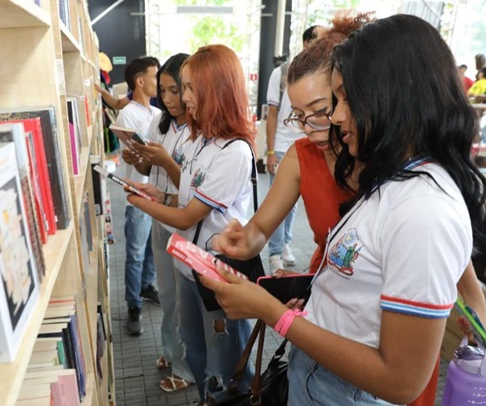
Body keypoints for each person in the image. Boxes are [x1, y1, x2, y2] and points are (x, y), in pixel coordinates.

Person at [203, 14, 486, 405]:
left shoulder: (423, 209)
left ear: (394, 93)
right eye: (301, 115)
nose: (334, 117)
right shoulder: (391, 179)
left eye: (342, 99)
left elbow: (401, 379)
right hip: (324, 368)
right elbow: (363, 275)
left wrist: (272, 312)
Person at [126, 44, 256, 404]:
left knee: (226, 363)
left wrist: (145, 205)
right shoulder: (200, 142)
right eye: (180, 88)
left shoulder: (234, 152)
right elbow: (182, 201)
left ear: (216, 90)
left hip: (215, 274)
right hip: (189, 267)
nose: (182, 98)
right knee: (198, 354)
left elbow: (187, 217)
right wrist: (156, 194)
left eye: (188, 88)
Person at [121, 53, 195, 392]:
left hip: (185, 223)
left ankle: (186, 366)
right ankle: (170, 350)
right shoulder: (159, 124)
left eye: (174, 90)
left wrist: (165, 163)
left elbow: (193, 190)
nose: (167, 99)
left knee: (184, 299)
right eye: (162, 91)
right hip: (159, 218)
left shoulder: (201, 130)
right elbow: (146, 171)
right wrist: (136, 158)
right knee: (166, 295)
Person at [264, 25, 327, 272]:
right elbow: (271, 113)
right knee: (280, 202)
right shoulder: (281, 74)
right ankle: (275, 251)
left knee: (297, 204)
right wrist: (269, 151)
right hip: (282, 147)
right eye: (321, 41)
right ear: (306, 43)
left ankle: (285, 243)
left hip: (309, 146)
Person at [116, 56, 161, 336]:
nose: (159, 82)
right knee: (135, 251)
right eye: (155, 76)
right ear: (140, 81)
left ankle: (147, 285)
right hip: (138, 192)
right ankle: (133, 305)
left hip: (157, 191)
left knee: (152, 248)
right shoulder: (127, 116)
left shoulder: (157, 115)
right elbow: (136, 155)